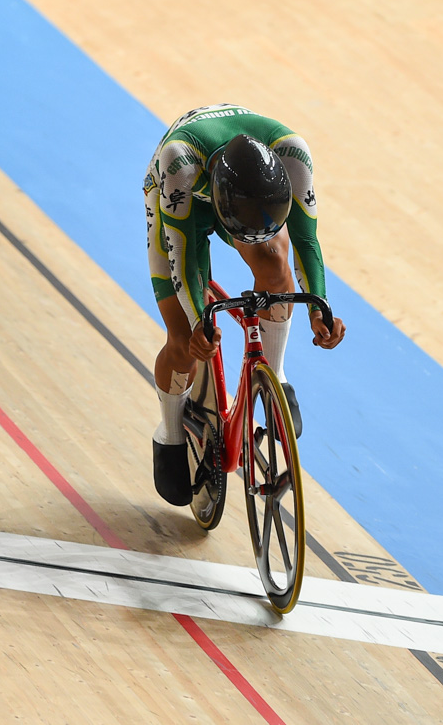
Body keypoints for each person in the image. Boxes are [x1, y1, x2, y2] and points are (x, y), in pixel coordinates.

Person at [144, 104, 346, 505]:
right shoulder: (177, 166)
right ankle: (168, 432)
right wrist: (199, 321)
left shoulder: (294, 156)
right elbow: (184, 260)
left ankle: (276, 370)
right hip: (177, 201)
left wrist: (319, 307)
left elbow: (306, 241)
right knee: (184, 340)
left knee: (274, 263)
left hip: (244, 198)